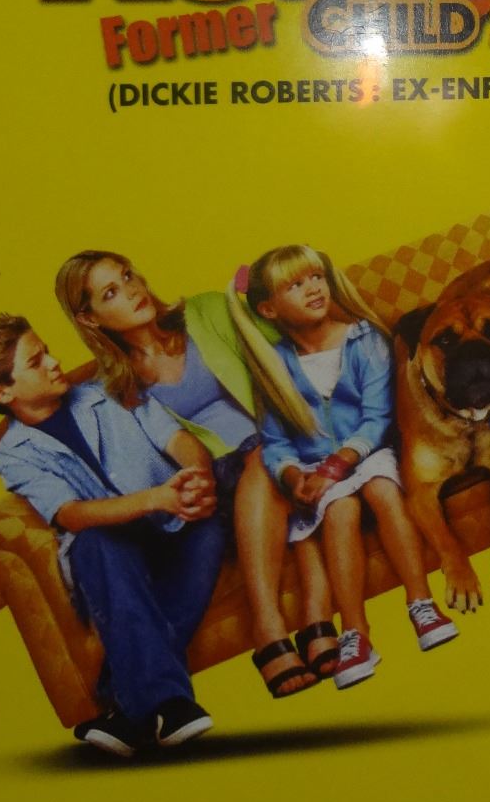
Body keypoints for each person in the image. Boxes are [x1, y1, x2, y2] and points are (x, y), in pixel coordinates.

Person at [55, 252, 338, 697]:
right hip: (220, 477)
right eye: (111, 292)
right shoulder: (112, 390)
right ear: (90, 319)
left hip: (285, 442)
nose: (131, 290)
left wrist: (262, 293)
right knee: (267, 463)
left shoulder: (208, 309)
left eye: (127, 275)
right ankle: (293, 623)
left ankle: (289, 627)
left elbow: (291, 340)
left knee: (274, 458)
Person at [0, 313, 224, 758]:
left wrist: (197, 476)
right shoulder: (15, 455)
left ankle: (126, 706)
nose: (55, 362)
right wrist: (156, 499)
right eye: (36, 361)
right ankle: (171, 706)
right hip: (115, 549)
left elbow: (175, 438)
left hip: (178, 522)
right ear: (2, 394)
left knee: (212, 523)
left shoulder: (107, 390)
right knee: (95, 541)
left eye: (46, 351)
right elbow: (71, 515)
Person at [249, 244, 459, 689]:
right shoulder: (275, 365)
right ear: (269, 309)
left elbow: (377, 417)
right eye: (295, 284)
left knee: (383, 488)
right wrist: (293, 475)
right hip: (314, 466)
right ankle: (355, 634)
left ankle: (422, 604)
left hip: (366, 451)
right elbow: (274, 442)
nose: (313, 288)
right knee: (339, 510)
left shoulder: (364, 340)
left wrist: (341, 461)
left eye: (316, 277)